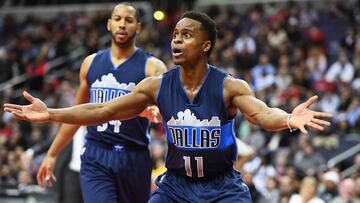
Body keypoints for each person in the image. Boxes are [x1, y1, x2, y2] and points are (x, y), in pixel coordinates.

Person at [4, 11, 332, 202]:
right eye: (175, 34)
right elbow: (101, 111)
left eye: (186, 35)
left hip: (223, 188)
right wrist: (51, 115)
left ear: (206, 45)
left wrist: (289, 117)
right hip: (175, 187)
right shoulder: (157, 86)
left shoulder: (230, 86)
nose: (176, 40)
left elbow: (262, 114)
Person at [23, 3, 167, 203]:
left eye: (129, 20)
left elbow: (165, 110)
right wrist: (52, 153)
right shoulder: (90, 64)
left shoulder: (153, 67)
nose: (122, 24)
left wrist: (155, 111)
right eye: (117, 19)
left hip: (134, 155)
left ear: (138, 27)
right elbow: (76, 115)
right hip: (96, 153)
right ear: (108, 24)